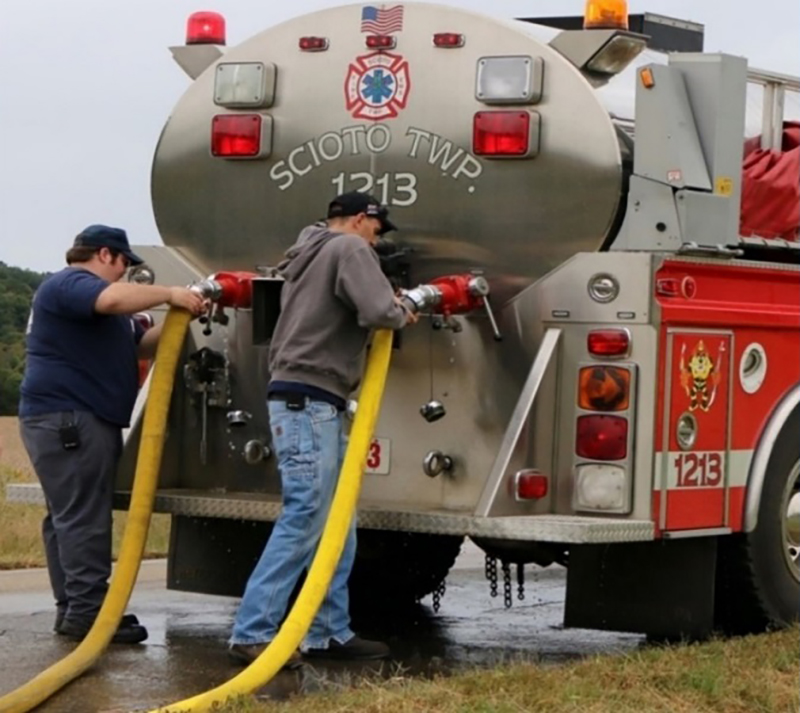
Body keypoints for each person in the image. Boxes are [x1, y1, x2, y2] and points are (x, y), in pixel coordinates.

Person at [229, 192, 418, 666]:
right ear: (360, 219)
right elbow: (379, 313)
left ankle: (328, 631)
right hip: (309, 399)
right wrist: (403, 308)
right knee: (307, 514)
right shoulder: (349, 249)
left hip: (308, 396)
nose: (379, 237)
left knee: (337, 523)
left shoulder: (308, 251)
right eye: (378, 227)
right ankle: (253, 632)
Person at [18, 224, 207, 645]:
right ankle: (90, 615)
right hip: (71, 420)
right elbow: (111, 297)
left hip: (69, 419)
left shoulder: (99, 309)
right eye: (124, 264)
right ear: (105, 254)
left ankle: (74, 610)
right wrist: (170, 293)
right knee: (84, 519)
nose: (124, 273)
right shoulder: (71, 284)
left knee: (68, 518)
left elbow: (143, 344)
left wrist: (184, 314)